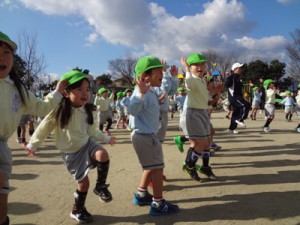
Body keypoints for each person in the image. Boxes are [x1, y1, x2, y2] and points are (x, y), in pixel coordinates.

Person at [25, 70, 116, 223]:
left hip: (87, 144)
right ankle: (77, 209)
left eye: (87, 89)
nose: (85, 93)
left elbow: (93, 131)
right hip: (71, 153)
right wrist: (33, 144)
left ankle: (100, 187)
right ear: (67, 92)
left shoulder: (88, 110)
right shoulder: (59, 110)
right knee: (83, 183)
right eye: (79, 89)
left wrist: (106, 138)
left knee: (102, 154)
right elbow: (44, 126)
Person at [0, 31, 66, 225]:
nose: (2, 57)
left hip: (3, 148)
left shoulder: (16, 88)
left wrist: (58, 92)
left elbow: (41, 107)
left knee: (3, 196)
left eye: (6, 52)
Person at [129, 55, 179, 216]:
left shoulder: (149, 91)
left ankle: (141, 195)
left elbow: (144, 108)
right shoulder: (141, 91)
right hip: (145, 136)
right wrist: (142, 95)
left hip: (146, 135)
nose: (162, 74)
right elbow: (132, 110)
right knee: (157, 169)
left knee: (151, 168)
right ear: (145, 76)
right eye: (159, 71)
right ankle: (158, 203)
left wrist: (155, 102)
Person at [180, 53, 222, 182]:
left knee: (208, 141)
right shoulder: (191, 79)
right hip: (193, 114)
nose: (200, 67)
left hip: (203, 112)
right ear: (190, 67)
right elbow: (188, 83)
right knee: (201, 142)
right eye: (196, 65)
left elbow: (204, 100)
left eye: (202, 64)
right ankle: (190, 165)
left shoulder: (201, 80)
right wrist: (186, 69)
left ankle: (205, 167)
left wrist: (213, 100)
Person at [154, 64, 179, 142]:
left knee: (159, 140)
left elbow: (171, 91)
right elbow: (164, 90)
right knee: (155, 140)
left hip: (163, 113)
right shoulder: (151, 85)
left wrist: (174, 77)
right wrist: (164, 73)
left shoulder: (162, 81)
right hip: (155, 113)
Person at [225, 62, 251, 133]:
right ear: (235, 69)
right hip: (234, 97)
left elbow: (240, 88)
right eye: (240, 68)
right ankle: (240, 119)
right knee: (246, 105)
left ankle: (231, 129)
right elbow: (226, 85)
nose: (241, 69)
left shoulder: (238, 78)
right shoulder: (232, 76)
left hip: (237, 97)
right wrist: (228, 78)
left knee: (236, 112)